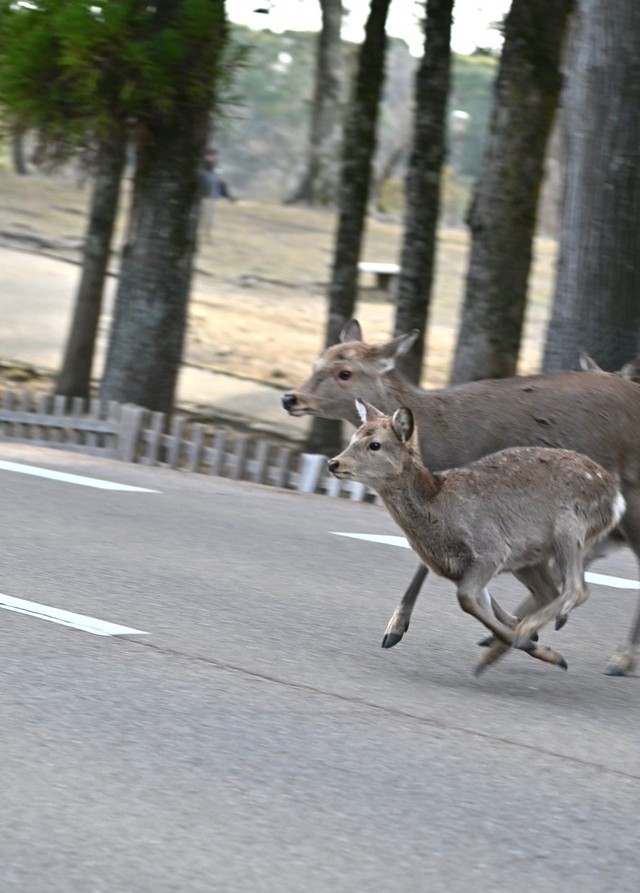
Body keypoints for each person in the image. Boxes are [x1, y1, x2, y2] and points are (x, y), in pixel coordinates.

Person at [199, 149, 236, 241]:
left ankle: (207, 236)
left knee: (210, 218)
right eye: (209, 155)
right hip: (203, 194)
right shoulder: (201, 165)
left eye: (212, 155)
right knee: (202, 218)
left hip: (211, 195)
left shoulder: (214, 166)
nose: (211, 157)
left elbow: (219, 180)